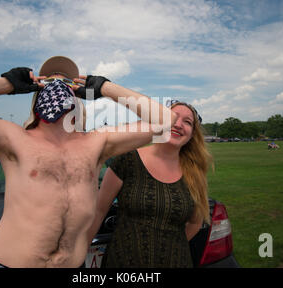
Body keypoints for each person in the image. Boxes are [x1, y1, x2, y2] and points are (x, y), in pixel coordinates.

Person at [0, 56, 176, 268]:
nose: (58, 86)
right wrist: (7, 84)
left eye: (67, 83)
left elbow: (165, 121)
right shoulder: (12, 138)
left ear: (79, 94)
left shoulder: (98, 142)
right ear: (37, 91)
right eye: (49, 81)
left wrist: (105, 88)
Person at [87, 100, 212, 267]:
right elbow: (98, 211)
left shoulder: (195, 174)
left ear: (191, 135)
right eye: (172, 117)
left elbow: (195, 223)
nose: (179, 124)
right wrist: (78, 252)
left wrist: (168, 247)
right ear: (160, 122)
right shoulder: (127, 160)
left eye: (187, 122)